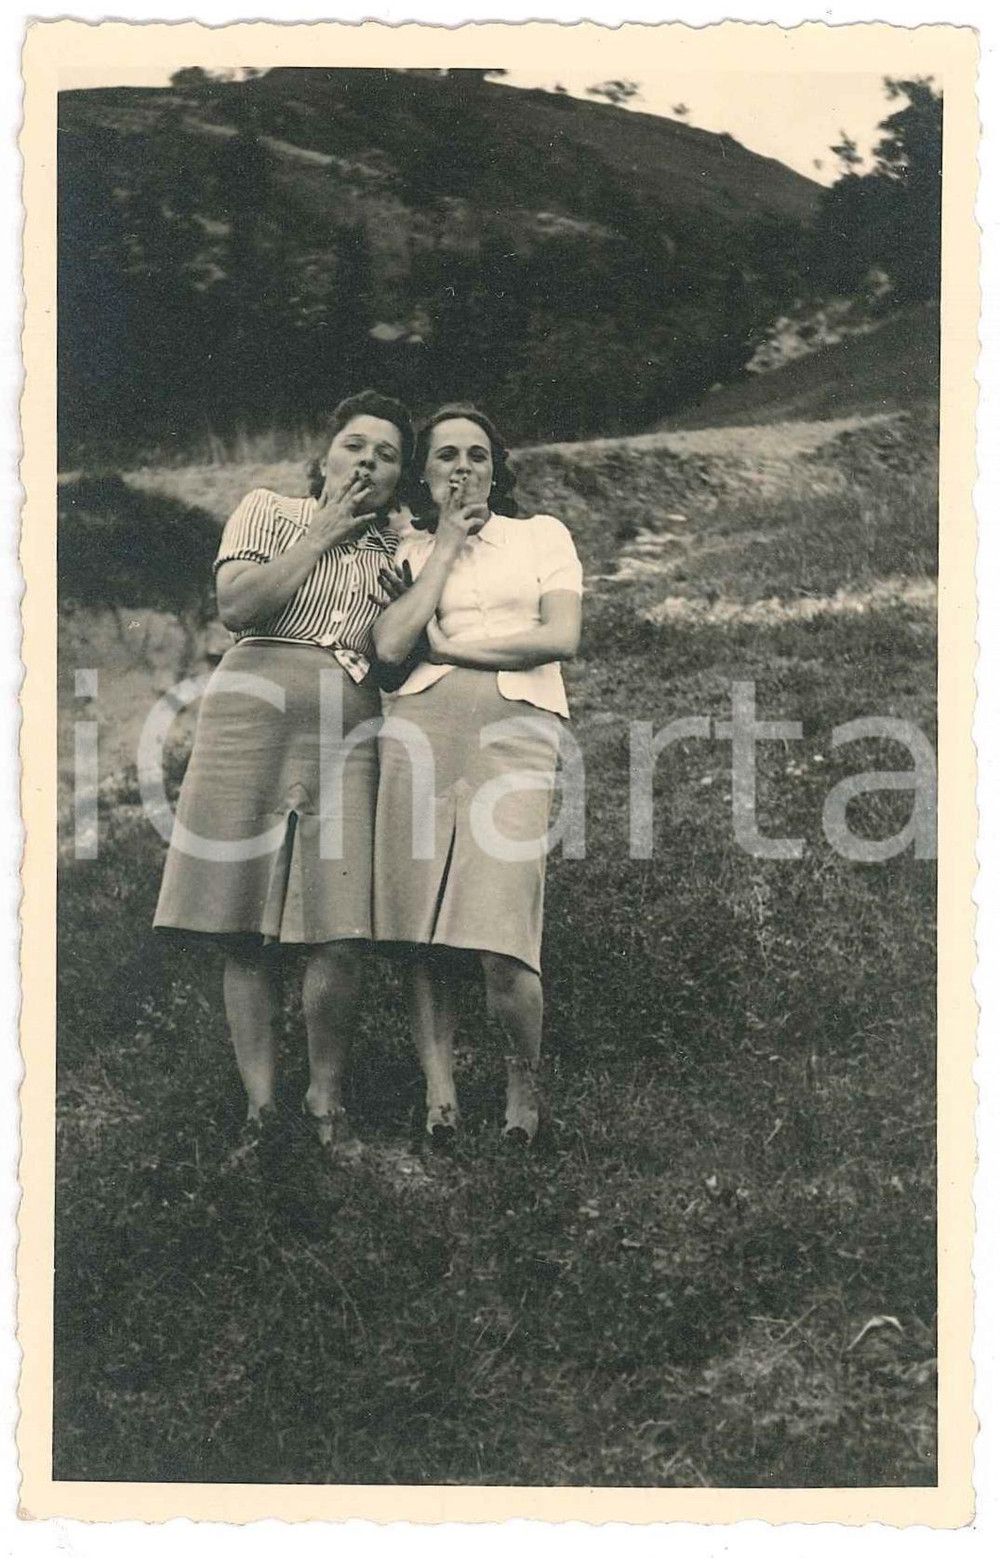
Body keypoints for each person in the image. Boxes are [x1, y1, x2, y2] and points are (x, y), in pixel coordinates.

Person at [154, 390, 414, 1164]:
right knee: (244, 927)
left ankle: (325, 1103)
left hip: (347, 725)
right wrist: (325, 529)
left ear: (399, 477)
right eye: (355, 444)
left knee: (341, 927)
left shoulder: (401, 553)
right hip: (249, 717)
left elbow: (398, 659)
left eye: (387, 454)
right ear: (325, 453)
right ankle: (261, 1114)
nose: (366, 461)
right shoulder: (268, 510)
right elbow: (238, 605)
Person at [372, 405, 583, 1147]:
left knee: (502, 929)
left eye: (477, 455)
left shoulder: (541, 535)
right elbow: (391, 646)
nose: (462, 467)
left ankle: (523, 1084)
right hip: (419, 735)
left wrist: (453, 651)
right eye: (446, 456)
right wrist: (444, 546)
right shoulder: (406, 551)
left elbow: (561, 636)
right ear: (424, 473)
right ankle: (440, 1093)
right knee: (421, 926)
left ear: (496, 468)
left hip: (516, 733)